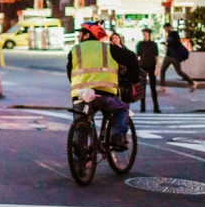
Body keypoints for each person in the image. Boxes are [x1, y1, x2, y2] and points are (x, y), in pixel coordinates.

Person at [67, 21, 139, 150]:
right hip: (104, 94)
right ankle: (116, 137)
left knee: (80, 124)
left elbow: (69, 73)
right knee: (122, 109)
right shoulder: (109, 48)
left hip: (81, 94)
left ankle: (80, 155)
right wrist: (134, 79)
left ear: (87, 35)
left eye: (80, 33)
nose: (78, 36)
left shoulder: (74, 50)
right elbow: (131, 57)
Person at [160, 23, 197, 92]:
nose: (165, 30)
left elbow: (176, 43)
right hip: (169, 56)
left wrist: (167, 43)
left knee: (179, 72)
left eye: (165, 28)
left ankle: (192, 82)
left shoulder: (174, 34)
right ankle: (162, 87)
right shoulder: (170, 34)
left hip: (174, 56)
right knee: (163, 70)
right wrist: (167, 44)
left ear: (169, 27)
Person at [136, 28, 161, 113]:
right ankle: (142, 107)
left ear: (149, 34)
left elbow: (156, 56)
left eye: (146, 33)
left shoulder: (153, 44)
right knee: (142, 88)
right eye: (144, 33)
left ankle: (156, 107)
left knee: (153, 87)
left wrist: (157, 68)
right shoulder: (140, 44)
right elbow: (137, 55)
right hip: (142, 66)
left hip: (151, 66)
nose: (145, 34)